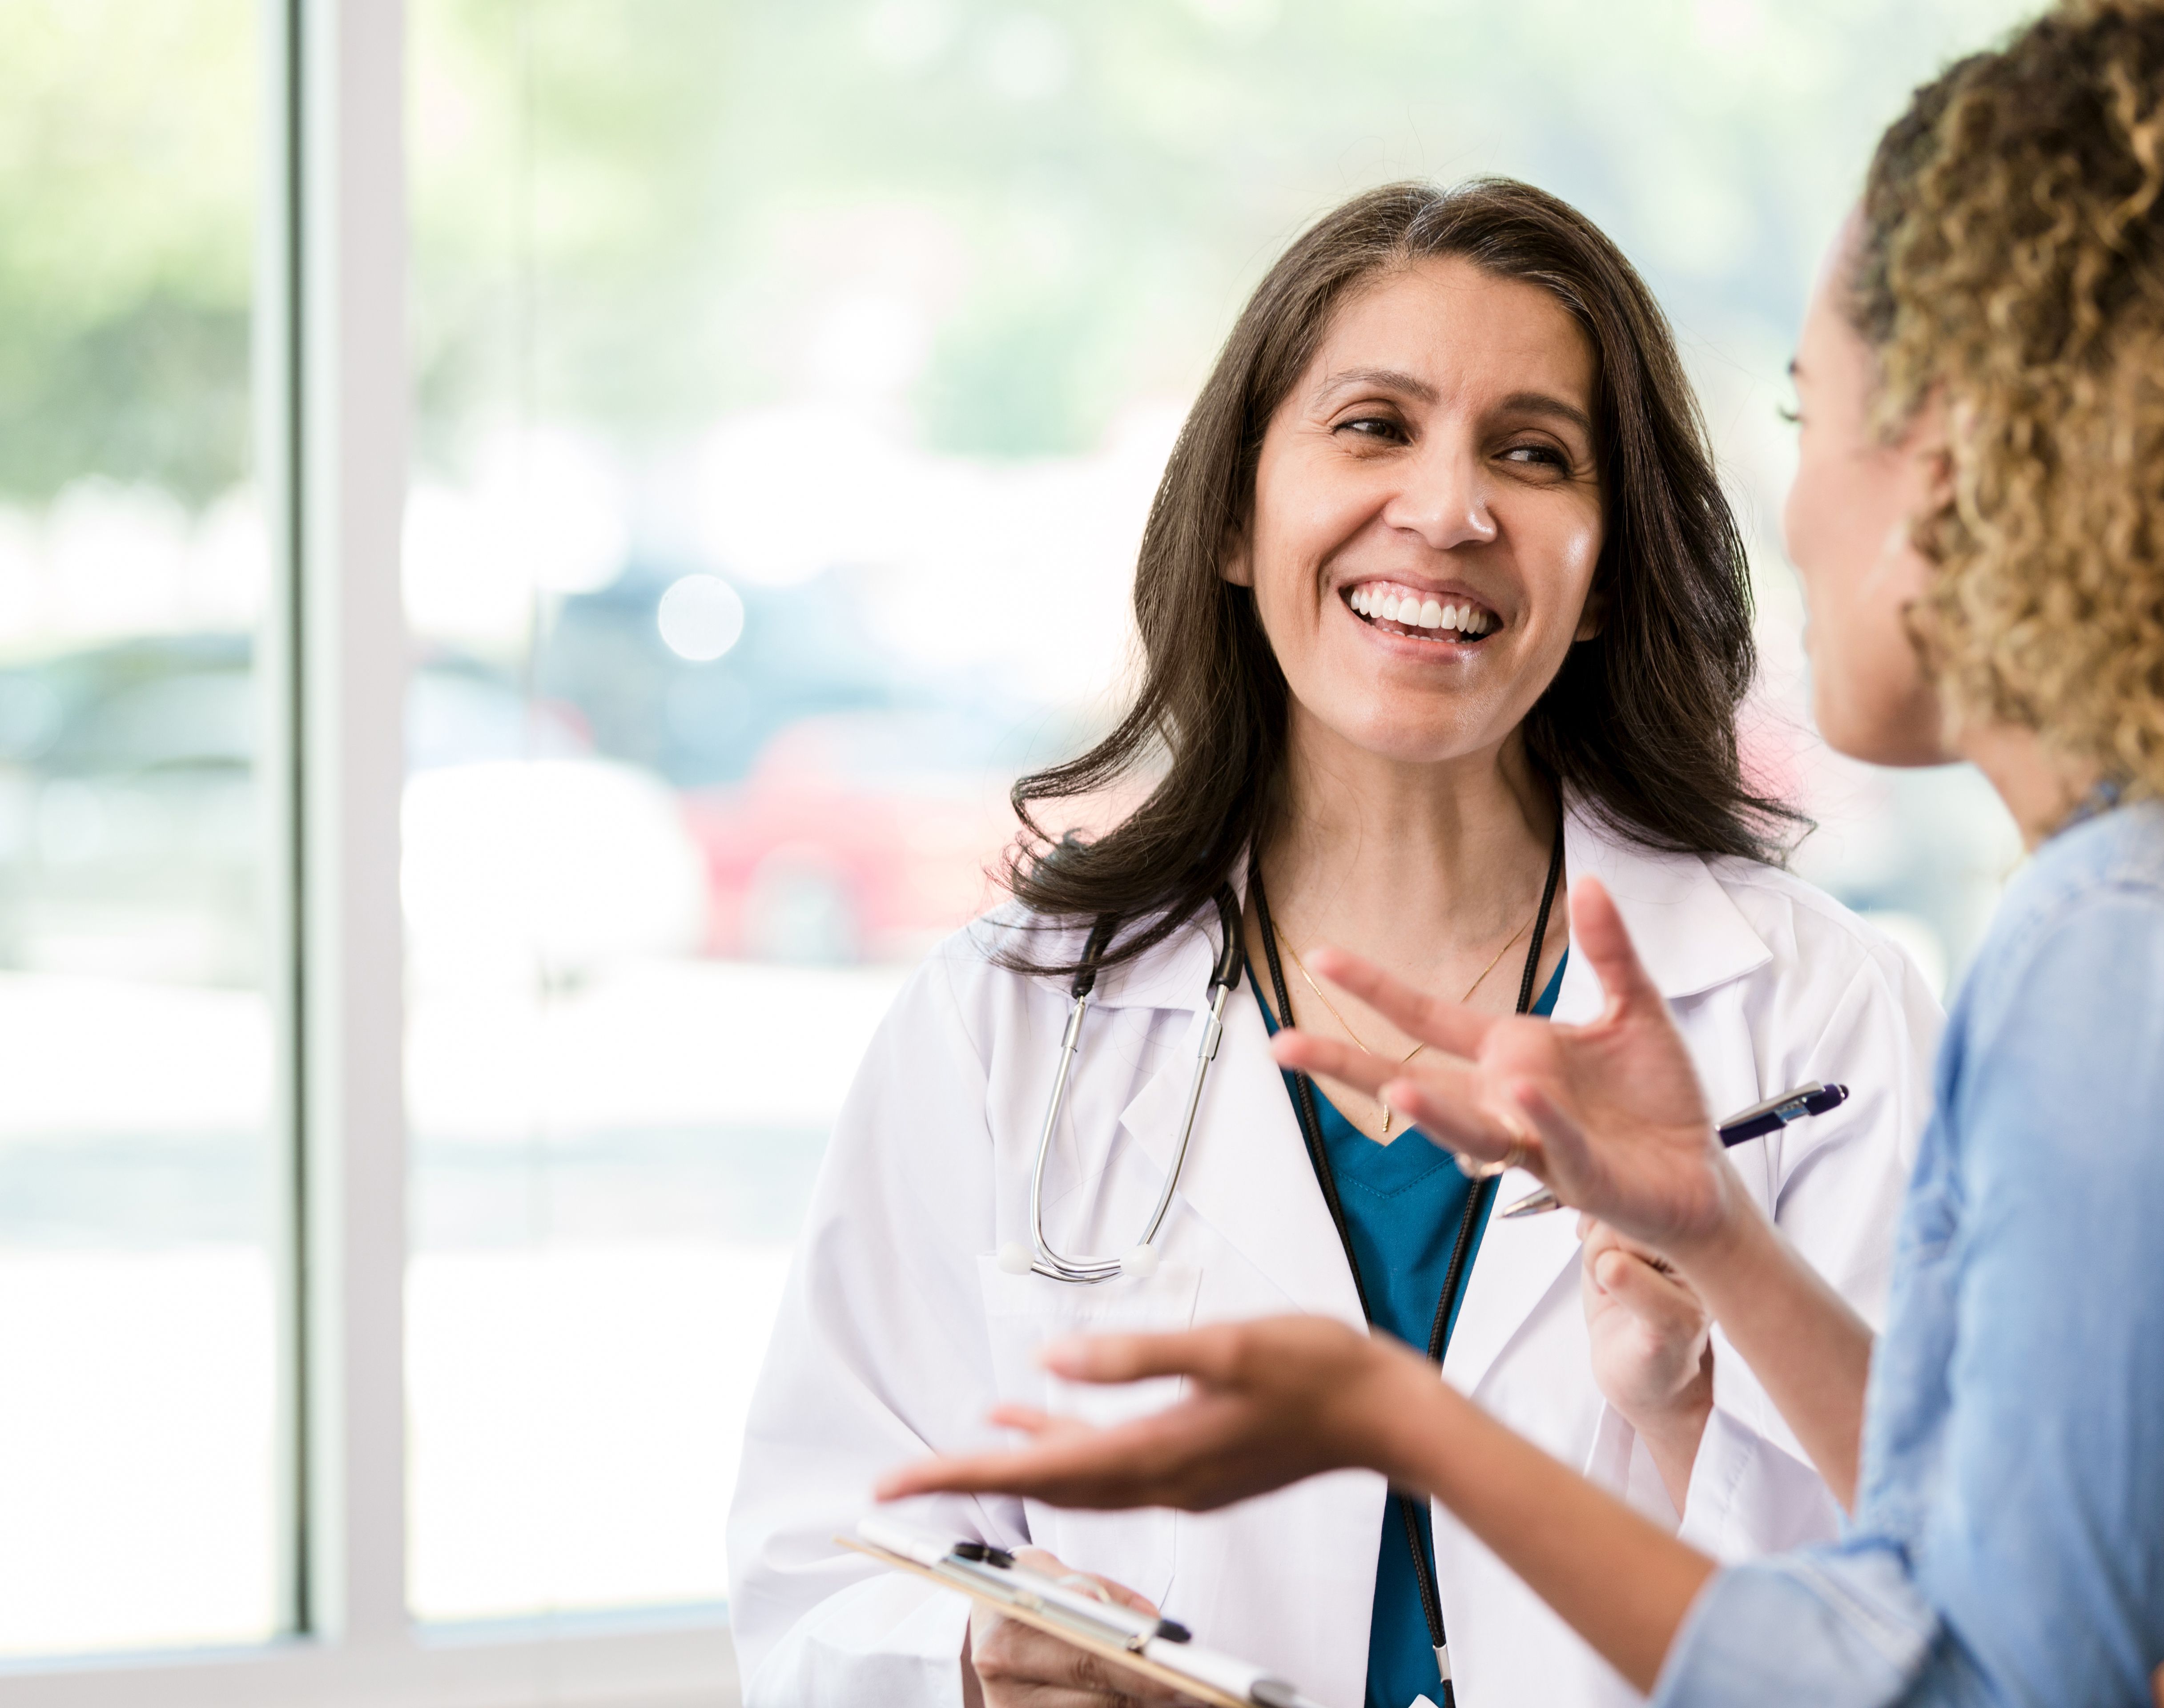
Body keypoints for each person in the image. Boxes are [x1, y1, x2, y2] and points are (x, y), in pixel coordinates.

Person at [877, 4, 2164, 1705]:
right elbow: (1994, 1561)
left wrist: (1405, 1424)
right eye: (1372, 428)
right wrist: (1731, 1252)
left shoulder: (2128, 949)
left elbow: (1987, 1681)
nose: (1800, 515)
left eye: (1812, 417)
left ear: (1961, 475)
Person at [727, 179, 1943, 1708]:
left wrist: (1688, 1411)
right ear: (1239, 519)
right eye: (1374, 427)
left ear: (1604, 577)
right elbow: (816, 1567)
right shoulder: (1009, 1019)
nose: (1447, 510)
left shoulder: (1817, 1018)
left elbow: (1941, 1604)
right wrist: (972, 1664)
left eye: (1534, 453)